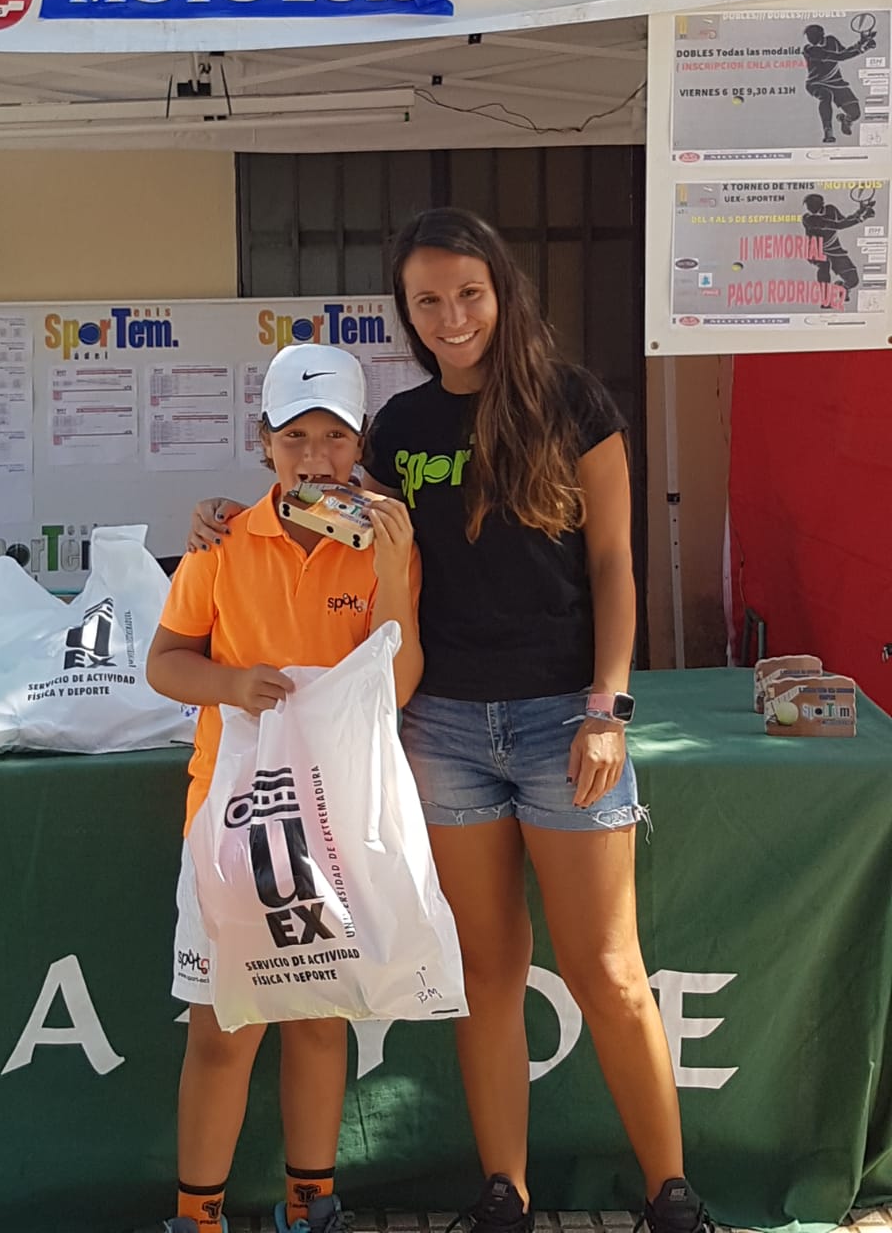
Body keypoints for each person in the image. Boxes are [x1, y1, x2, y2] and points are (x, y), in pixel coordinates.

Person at [189, 209, 715, 1233]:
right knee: (489, 971)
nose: (451, 316)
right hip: (444, 731)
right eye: (427, 300)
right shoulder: (399, 427)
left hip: (567, 720)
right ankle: (503, 1194)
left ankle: (672, 1196)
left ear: (502, 290)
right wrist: (217, 517)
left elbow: (616, 562)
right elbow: (322, 506)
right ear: (408, 312)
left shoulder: (575, 403)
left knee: (607, 969)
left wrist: (608, 705)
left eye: (468, 293)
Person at [148, 341, 422, 1233]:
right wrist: (232, 684)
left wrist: (392, 570)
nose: (315, 458)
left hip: (337, 819)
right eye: (295, 437)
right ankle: (198, 1216)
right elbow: (166, 661)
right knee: (223, 1027)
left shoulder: (385, 541)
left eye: (335, 437)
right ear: (263, 441)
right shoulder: (223, 540)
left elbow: (399, 684)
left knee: (318, 1017)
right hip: (232, 820)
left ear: (361, 442)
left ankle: (312, 1206)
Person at [802, 22, 874, 143]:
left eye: (812, 35)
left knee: (855, 114)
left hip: (837, 83)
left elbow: (844, 52)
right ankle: (828, 131)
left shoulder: (832, 40)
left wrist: (861, 42)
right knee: (826, 95)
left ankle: (846, 120)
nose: (810, 39)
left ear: (821, 34)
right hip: (816, 83)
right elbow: (840, 57)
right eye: (808, 36)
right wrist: (864, 48)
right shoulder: (810, 50)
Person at [801, 191, 873, 305]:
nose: (809, 208)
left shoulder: (831, 209)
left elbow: (844, 221)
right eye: (808, 206)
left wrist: (860, 211)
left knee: (853, 280)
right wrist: (862, 217)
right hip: (815, 250)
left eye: (812, 205)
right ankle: (825, 299)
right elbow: (838, 225)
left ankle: (842, 289)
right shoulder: (808, 218)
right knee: (824, 265)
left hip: (834, 249)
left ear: (821, 204)